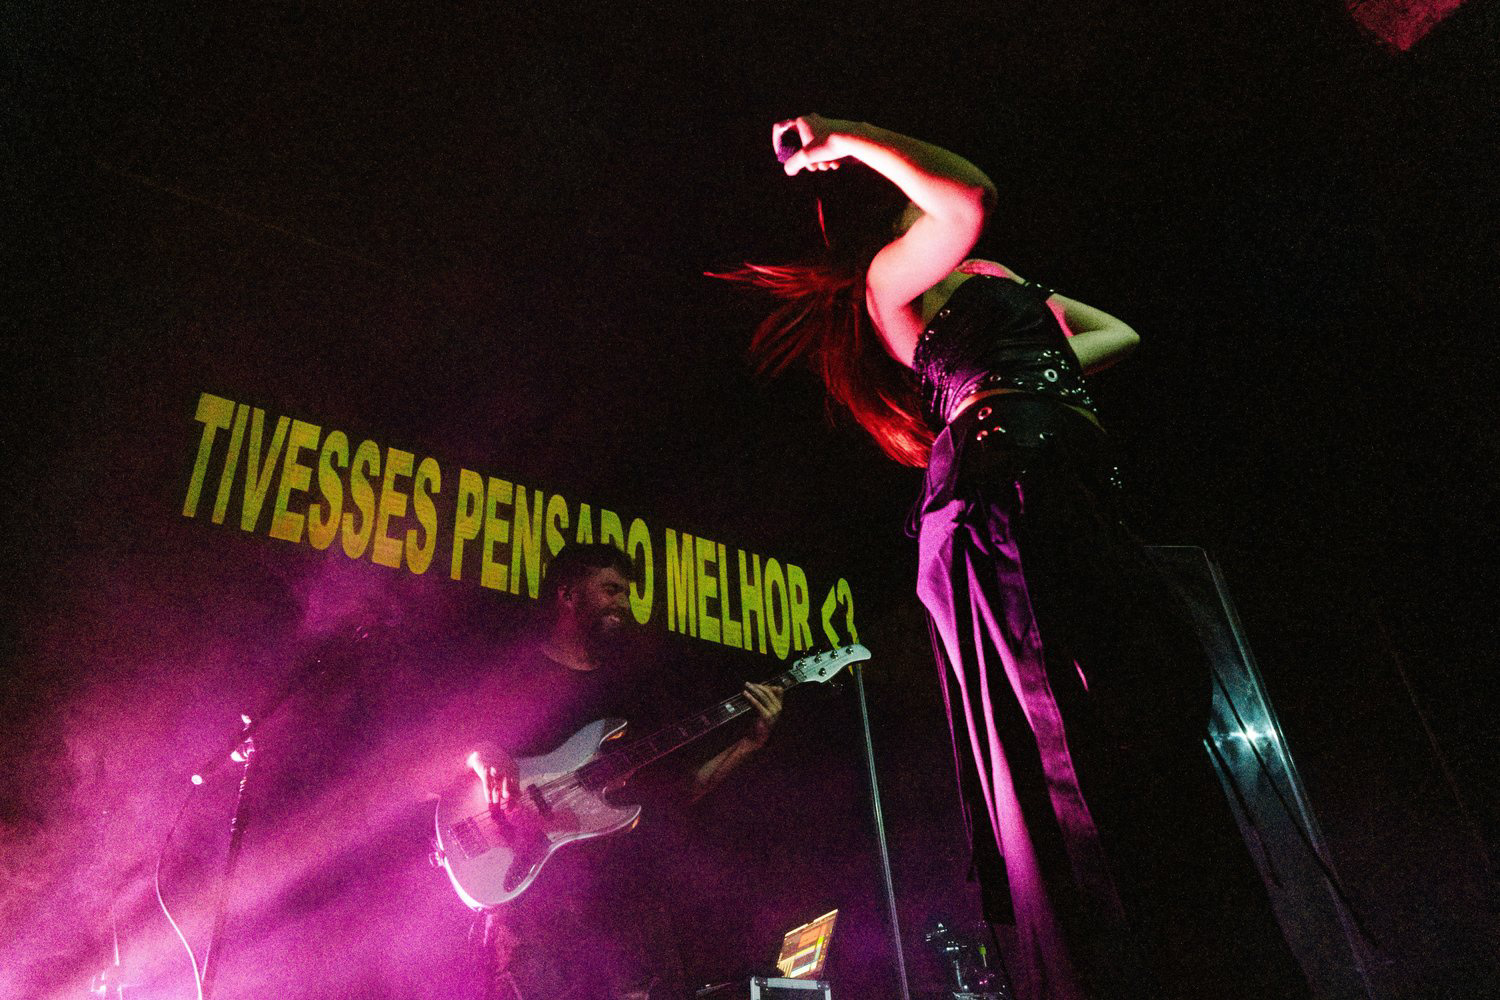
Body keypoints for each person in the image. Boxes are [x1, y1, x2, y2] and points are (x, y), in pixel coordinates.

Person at [720, 114, 1309, 999]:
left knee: (1142, 719)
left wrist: (1024, 295)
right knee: (1063, 738)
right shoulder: (892, 282)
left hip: (1066, 492)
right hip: (1000, 497)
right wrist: (847, 136)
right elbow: (969, 197)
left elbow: (1118, 335)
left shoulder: (988, 293)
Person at [463, 543, 784, 1000]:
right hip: (533, 910)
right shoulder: (516, 676)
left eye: (626, 594)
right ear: (568, 594)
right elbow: (427, 759)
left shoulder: (631, 693)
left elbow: (681, 790)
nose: (623, 604)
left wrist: (749, 743)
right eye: (611, 590)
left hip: (617, 910)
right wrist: (480, 751)